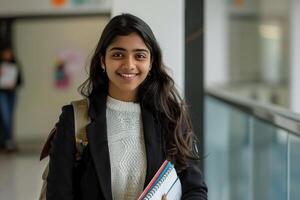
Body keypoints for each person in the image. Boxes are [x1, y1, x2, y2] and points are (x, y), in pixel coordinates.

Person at [46, 13, 207, 200]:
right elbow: (59, 194)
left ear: (151, 62)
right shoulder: (74, 118)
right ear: (102, 61)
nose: (129, 65)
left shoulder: (170, 115)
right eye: (118, 54)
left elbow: (195, 190)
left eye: (139, 55)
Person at [0, 46, 22, 152]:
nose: (7, 55)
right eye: (5, 53)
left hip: (11, 93)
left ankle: (8, 141)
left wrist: (14, 84)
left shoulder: (15, 65)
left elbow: (20, 80)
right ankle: (8, 140)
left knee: (9, 117)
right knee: (6, 117)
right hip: (2, 93)